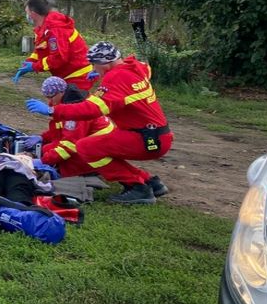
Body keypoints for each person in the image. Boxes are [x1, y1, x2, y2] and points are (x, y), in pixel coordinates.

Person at [25, 41, 171, 204]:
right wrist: (103, 76)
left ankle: (137, 187)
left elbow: (92, 109)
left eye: (94, 65)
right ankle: (149, 182)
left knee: (87, 148)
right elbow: (144, 70)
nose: (93, 68)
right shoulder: (134, 68)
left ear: (105, 63)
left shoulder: (116, 77)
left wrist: (52, 111)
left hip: (146, 138)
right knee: (98, 146)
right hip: (154, 134)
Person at [12, 0, 93, 91]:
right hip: (67, 74)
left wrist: (34, 66)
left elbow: (58, 58)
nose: (26, 15)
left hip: (78, 75)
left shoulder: (54, 29)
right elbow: (40, 50)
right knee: (56, 98)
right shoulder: (42, 28)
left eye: (27, 12)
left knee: (65, 100)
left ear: (33, 14)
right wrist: (29, 63)